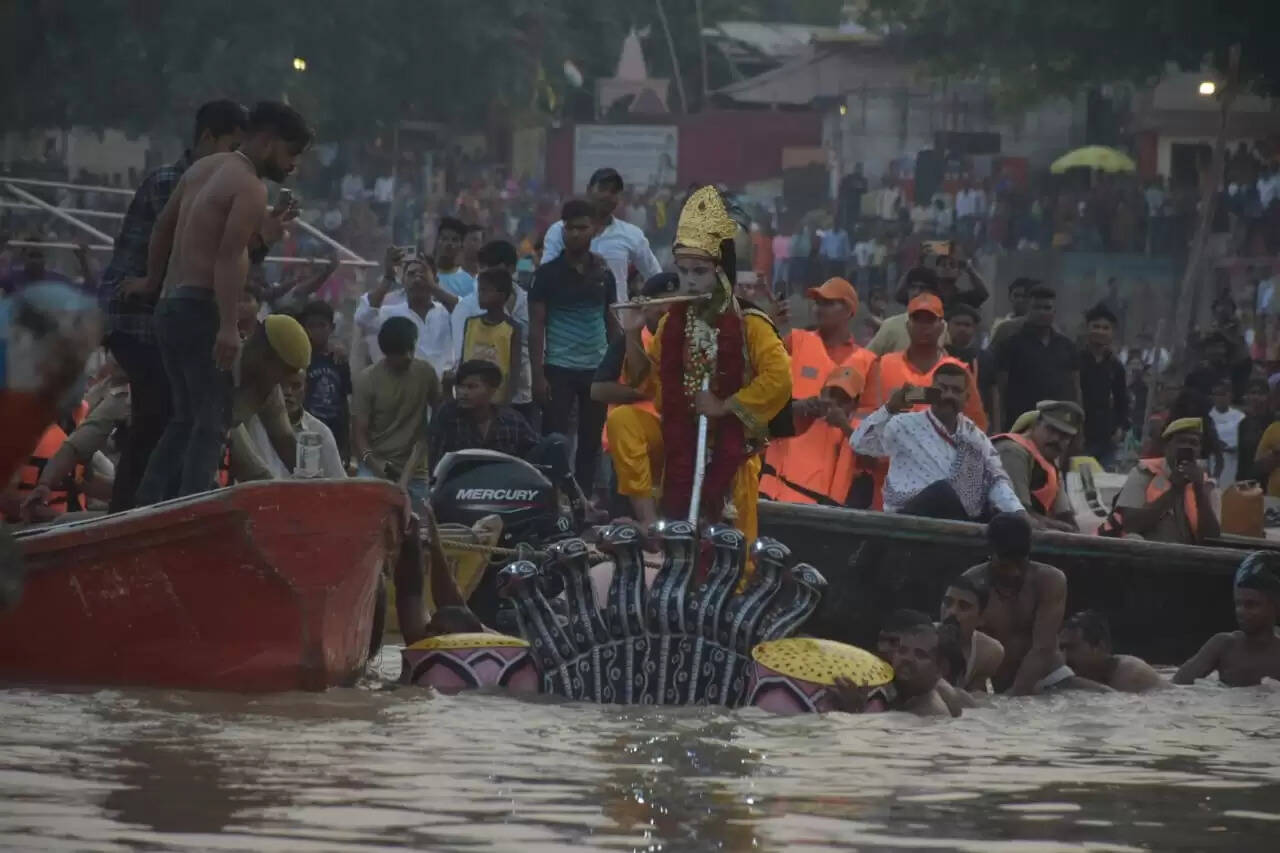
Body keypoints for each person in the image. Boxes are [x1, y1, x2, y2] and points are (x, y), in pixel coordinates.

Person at [130, 101, 312, 502]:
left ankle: (149, 505)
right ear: (268, 141)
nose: (293, 165)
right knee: (211, 422)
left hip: (170, 306)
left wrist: (151, 281)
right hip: (200, 309)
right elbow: (229, 257)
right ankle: (189, 508)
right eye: (292, 153)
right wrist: (228, 326)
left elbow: (163, 228)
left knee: (184, 418)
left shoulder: (203, 168)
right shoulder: (250, 186)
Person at [98, 99, 249, 511]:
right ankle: (131, 512)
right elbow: (194, 251)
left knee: (169, 416)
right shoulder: (177, 181)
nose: (237, 159)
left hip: (159, 313)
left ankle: (149, 507)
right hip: (135, 315)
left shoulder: (208, 184)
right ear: (207, 139)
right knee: (160, 416)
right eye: (233, 147)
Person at [621, 185, 791, 545]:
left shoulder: (750, 323)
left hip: (733, 446)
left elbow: (779, 379)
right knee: (624, 421)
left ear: (721, 273)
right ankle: (651, 524)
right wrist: (632, 332)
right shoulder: (671, 324)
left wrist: (723, 406)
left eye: (699, 271)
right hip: (677, 436)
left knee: (735, 552)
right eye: (683, 271)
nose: (690, 281)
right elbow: (642, 381)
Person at [851, 361, 1020, 521]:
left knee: (998, 515)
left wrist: (1018, 513)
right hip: (910, 518)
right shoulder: (904, 424)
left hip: (954, 519)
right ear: (931, 392)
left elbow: (996, 479)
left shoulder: (974, 436)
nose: (948, 395)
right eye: (942, 389)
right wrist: (890, 408)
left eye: (956, 391)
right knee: (943, 491)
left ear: (966, 398)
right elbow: (859, 444)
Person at [529, 199, 618, 502]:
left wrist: (617, 365)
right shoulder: (546, 274)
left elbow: (611, 319)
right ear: (562, 230)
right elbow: (537, 327)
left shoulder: (603, 273)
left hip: (597, 368)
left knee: (591, 441)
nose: (576, 234)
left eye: (582, 228)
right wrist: (538, 375)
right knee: (555, 439)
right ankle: (554, 499)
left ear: (594, 230)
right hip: (558, 368)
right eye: (570, 228)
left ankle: (584, 502)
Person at [760, 277, 876, 502]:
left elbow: (871, 430)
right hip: (778, 482)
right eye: (818, 303)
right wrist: (799, 407)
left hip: (831, 490)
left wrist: (843, 422)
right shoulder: (796, 341)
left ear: (849, 311)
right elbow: (762, 393)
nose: (819, 308)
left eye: (828, 303)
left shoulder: (868, 362)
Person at [427, 359, 580, 508]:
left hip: (507, 491)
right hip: (463, 491)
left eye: (471, 387)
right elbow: (436, 462)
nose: (463, 393)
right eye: (460, 387)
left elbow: (539, 450)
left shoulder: (511, 420)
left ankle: (574, 502)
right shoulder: (448, 416)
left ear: (492, 390)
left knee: (556, 442)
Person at [596, 273, 675, 529]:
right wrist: (649, 394)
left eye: (673, 303)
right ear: (645, 306)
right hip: (633, 444)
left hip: (676, 440)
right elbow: (598, 390)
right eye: (660, 303)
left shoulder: (692, 337)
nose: (666, 310)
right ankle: (646, 522)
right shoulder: (632, 338)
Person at [962, 512, 1071, 694]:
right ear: (990, 552)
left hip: (1051, 680)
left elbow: (1043, 647)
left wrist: (1015, 696)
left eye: (1020, 563)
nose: (1015, 572)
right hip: (1001, 689)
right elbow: (962, 650)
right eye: (1006, 564)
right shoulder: (971, 584)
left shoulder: (1050, 581)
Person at [352, 316, 442, 511]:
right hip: (375, 465)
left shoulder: (426, 373)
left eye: (411, 349)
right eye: (401, 352)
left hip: (416, 470)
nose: (408, 356)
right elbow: (359, 435)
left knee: (420, 524)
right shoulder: (367, 380)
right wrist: (377, 467)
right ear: (387, 352)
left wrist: (406, 476)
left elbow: (438, 417)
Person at [863, 293, 987, 429]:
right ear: (907, 325)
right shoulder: (883, 366)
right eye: (917, 320)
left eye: (930, 320)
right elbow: (865, 419)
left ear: (942, 326)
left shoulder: (958, 371)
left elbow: (976, 425)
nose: (923, 326)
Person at [17, 374, 130, 521]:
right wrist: (56, 516)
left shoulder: (73, 422)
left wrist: (133, 492)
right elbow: (6, 498)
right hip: (21, 525)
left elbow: (84, 481)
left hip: (72, 521)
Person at [540, 168, 662, 303]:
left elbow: (656, 276)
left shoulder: (632, 234)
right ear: (589, 190)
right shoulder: (560, 230)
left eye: (614, 192)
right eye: (603, 189)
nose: (608, 195)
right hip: (570, 312)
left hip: (617, 313)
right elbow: (545, 276)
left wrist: (645, 304)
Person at [1098, 417, 1222, 544]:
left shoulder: (1206, 484)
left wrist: (1199, 490)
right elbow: (1130, 525)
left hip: (1188, 554)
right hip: (1148, 551)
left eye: (1193, 443)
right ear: (1166, 447)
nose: (1187, 447)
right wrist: (1174, 490)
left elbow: (1212, 539)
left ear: (1199, 451)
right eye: (1181, 441)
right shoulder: (1143, 473)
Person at [761, 365, 870, 507]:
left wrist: (845, 427)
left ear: (855, 405)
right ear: (822, 393)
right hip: (775, 503)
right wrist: (796, 408)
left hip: (821, 514)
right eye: (832, 394)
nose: (835, 402)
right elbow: (761, 428)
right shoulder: (802, 416)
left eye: (843, 399)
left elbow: (871, 462)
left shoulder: (858, 435)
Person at [450, 240, 534, 424]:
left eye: (494, 268)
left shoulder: (528, 306)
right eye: (483, 268)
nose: (487, 274)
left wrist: (507, 400)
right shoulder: (467, 311)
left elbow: (524, 359)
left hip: (518, 397)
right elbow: (462, 358)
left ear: (511, 269)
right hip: (475, 400)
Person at [1174, 552, 1280, 687]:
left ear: (1276, 606)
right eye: (1238, 604)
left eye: (1251, 604)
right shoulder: (1225, 645)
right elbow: (1174, 688)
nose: (1240, 611)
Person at [994, 284, 1080, 433]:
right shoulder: (1010, 345)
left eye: (1047, 308)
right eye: (1037, 308)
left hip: (1059, 425)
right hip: (1021, 425)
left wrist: (1078, 426)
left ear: (1054, 312)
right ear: (1028, 310)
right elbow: (1001, 390)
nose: (1042, 312)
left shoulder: (1067, 346)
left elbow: (1075, 388)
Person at [356, 254, 455, 376]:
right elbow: (362, 319)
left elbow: (466, 313)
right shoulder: (391, 314)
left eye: (423, 274)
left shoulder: (447, 312)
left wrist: (434, 287)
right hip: (403, 385)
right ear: (403, 281)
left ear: (435, 280)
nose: (417, 279)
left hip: (444, 385)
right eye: (411, 274)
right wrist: (387, 278)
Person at [992, 401, 1082, 531]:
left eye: (1065, 436)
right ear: (1036, 425)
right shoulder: (1012, 451)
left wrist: (1072, 530)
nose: (1056, 439)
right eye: (1051, 430)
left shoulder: (1051, 463)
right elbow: (1017, 514)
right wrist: (1063, 528)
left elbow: (1065, 516)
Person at [833, 622, 952, 717]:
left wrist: (854, 708)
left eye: (920, 655)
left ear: (941, 669)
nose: (907, 658)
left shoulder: (928, 715)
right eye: (902, 651)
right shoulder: (900, 696)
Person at [245, 369, 346, 479]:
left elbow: (338, 482)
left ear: (305, 389)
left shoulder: (321, 432)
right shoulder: (252, 426)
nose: (288, 392)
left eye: (296, 386)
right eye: (281, 385)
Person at [298, 300, 353, 463]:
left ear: (332, 327)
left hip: (335, 433)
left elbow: (345, 401)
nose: (316, 331)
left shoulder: (338, 360)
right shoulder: (300, 360)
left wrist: (346, 443)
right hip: (307, 433)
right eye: (311, 326)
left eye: (322, 325)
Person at [1059, 610, 1164, 692]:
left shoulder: (1130, 674)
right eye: (1061, 648)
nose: (1063, 655)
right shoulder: (1091, 673)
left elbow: (1120, 707)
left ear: (1100, 647)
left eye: (1071, 647)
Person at [458, 269, 522, 404]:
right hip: (469, 397)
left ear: (502, 295)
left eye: (485, 291)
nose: (480, 295)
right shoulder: (470, 323)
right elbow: (463, 361)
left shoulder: (511, 329)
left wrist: (508, 402)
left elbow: (515, 371)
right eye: (479, 291)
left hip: (496, 400)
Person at [1078, 304, 1129, 466]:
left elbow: (1122, 400)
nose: (1100, 332)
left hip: (1107, 438)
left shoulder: (1116, 366)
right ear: (1087, 329)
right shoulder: (1075, 361)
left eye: (1106, 328)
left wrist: (1120, 428)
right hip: (1080, 436)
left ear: (1112, 332)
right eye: (1096, 327)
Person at [939, 577, 1005, 692]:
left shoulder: (988, 652)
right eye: (948, 602)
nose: (952, 611)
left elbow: (975, 698)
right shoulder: (920, 641)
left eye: (964, 606)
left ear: (981, 618)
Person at [866, 266, 946, 356]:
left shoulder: (942, 326)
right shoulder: (891, 325)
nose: (916, 293)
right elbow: (866, 358)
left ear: (933, 293)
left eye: (922, 288)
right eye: (913, 287)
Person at [944, 302, 995, 417]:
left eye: (967, 325)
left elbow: (993, 394)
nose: (962, 329)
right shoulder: (938, 355)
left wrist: (996, 425)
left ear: (974, 328)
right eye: (957, 324)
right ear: (947, 325)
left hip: (976, 421)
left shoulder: (985, 357)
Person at [1209, 376, 1247, 485]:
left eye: (1223, 394)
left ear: (1230, 396)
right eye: (1216, 394)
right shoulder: (1207, 417)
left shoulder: (1240, 417)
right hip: (1214, 460)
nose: (1220, 398)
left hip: (1235, 460)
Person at [1236, 378, 1271, 484]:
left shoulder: (1274, 422)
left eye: (1260, 393)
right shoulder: (1243, 424)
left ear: (1267, 396)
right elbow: (1242, 458)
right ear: (1247, 396)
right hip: (1249, 481)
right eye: (1253, 393)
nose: (1256, 397)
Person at [434, 217, 476, 298]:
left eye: (454, 240)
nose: (449, 244)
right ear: (437, 242)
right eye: (444, 238)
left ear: (461, 246)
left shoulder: (467, 282)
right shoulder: (425, 275)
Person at [988, 277, 1034, 349]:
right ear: (1010, 297)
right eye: (1016, 295)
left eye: (1025, 296)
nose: (1020, 300)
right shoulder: (999, 324)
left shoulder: (1037, 324)